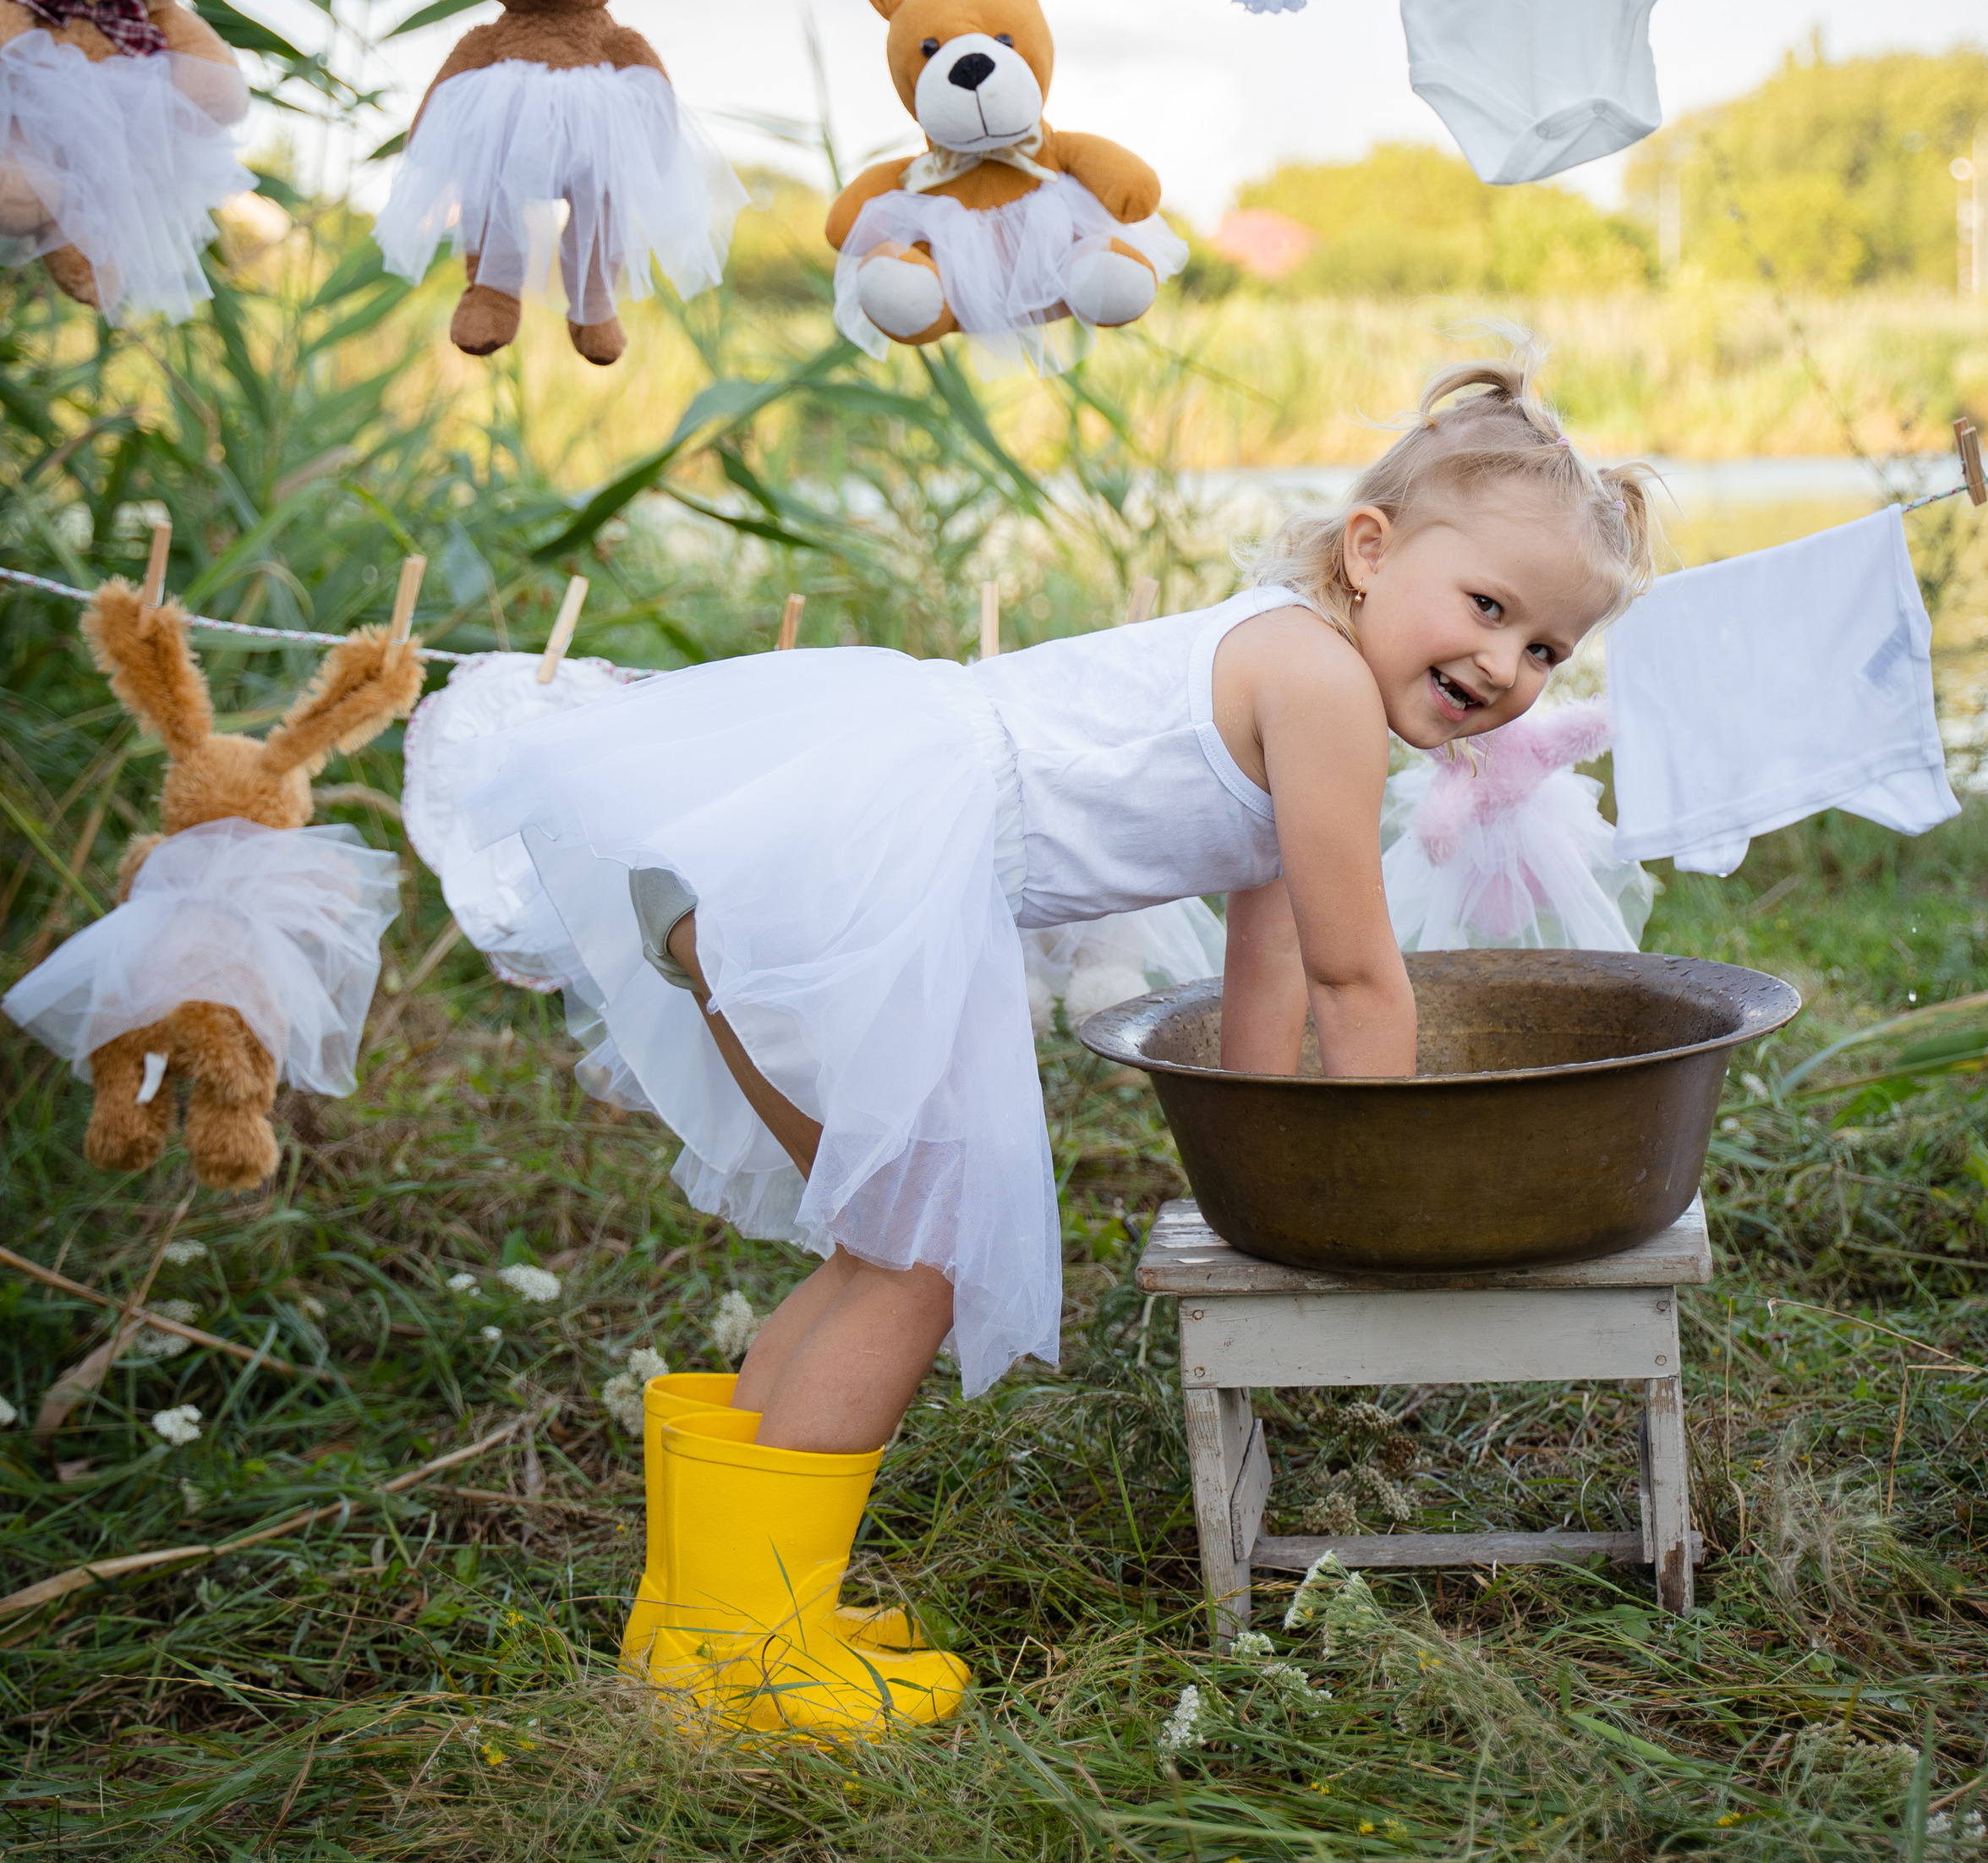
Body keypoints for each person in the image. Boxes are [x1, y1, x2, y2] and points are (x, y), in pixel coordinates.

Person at [450, 360, 1655, 1735]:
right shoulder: (1316, 684)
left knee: (880, 1256)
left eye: (1549, 650)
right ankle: (751, 1661)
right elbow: (1354, 973)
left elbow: (1266, 966)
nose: (1506, 666)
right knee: (918, 1266)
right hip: (849, 877)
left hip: (793, 860)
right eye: (1488, 608)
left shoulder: (1288, 659)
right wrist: (1384, 1183)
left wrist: (1266, 1179)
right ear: (1371, 551)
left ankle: (703, 1622)